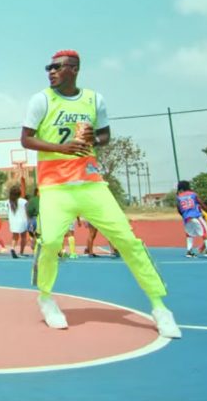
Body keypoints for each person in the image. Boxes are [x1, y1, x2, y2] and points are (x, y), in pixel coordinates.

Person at [21, 49, 181, 339]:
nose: (51, 72)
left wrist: (93, 138)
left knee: (128, 241)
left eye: (56, 67)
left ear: (74, 69)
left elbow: (105, 134)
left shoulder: (94, 100)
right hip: (55, 187)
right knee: (51, 241)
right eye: (48, 68)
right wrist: (61, 148)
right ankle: (46, 298)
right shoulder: (41, 100)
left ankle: (159, 306)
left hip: (92, 184)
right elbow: (26, 139)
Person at [176, 181, 207, 259]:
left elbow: (179, 209)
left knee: (190, 234)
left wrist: (184, 215)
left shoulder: (179, 196)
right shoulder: (193, 194)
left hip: (186, 218)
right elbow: (202, 204)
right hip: (196, 216)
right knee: (206, 232)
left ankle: (189, 251)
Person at [7, 185, 28, 258]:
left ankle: (12, 248)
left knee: (15, 237)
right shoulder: (23, 201)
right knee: (23, 237)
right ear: (19, 193)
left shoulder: (8, 202)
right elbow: (27, 211)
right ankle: (21, 252)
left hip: (13, 221)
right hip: (22, 221)